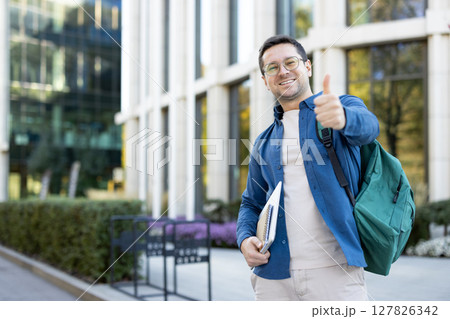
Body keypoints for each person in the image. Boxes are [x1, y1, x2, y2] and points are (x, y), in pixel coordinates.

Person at [236, 35, 379, 301]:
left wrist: (344, 118)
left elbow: (369, 129)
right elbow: (251, 203)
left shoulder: (340, 107)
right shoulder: (263, 142)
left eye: (291, 62)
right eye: (272, 67)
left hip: (336, 274)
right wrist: (244, 239)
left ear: (308, 67)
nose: (283, 71)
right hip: (273, 277)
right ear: (265, 81)